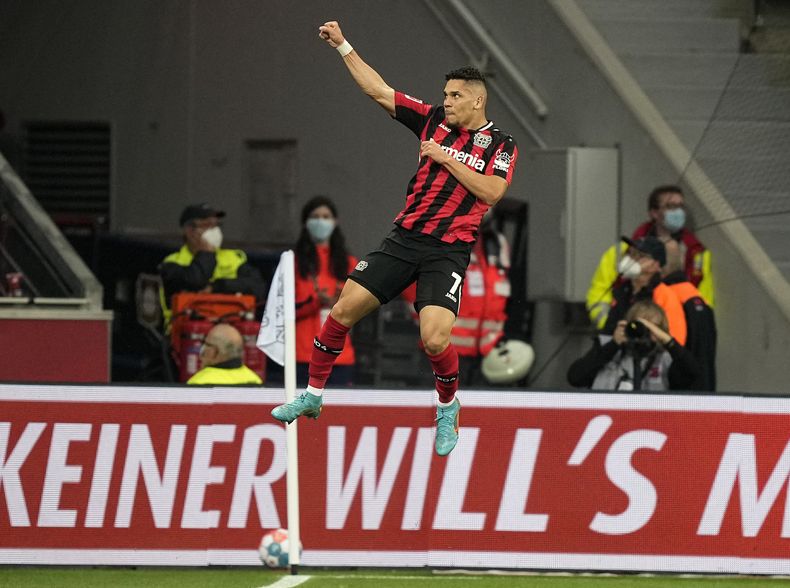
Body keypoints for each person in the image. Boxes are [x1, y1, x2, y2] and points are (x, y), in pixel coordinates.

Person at [271, 20, 519, 457]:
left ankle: (447, 407)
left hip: (447, 252)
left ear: (478, 99)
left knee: (435, 339)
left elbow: (492, 192)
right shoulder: (432, 121)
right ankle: (312, 394)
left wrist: (444, 159)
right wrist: (344, 45)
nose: (447, 102)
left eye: (455, 96)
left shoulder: (501, 145)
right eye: (445, 96)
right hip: (403, 239)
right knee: (343, 309)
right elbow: (379, 91)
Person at [586, 185, 714, 329]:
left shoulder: (695, 253)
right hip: (625, 329)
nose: (677, 212)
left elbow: (703, 298)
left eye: (680, 206)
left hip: (675, 333)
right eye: (670, 206)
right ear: (654, 212)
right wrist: (610, 325)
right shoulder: (622, 251)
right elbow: (599, 293)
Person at [159, 203, 267, 326]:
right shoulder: (172, 263)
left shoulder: (233, 258)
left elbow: (258, 287)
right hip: (186, 335)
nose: (215, 231)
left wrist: (217, 287)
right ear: (189, 231)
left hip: (232, 330)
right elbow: (195, 280)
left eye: (216, 225)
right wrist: (206, 252)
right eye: (207, 226)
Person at [567, 300, 699, 391]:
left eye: (652, 327)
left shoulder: (665, 360)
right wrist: (613, 344)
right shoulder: (607, 351)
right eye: (640, 326)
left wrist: (668, 341)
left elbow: (693, 373)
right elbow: (575, 378)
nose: (645, 333)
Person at [294, 196, 357, 386]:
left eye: (326, 216)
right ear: (305, 222)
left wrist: (342, 304)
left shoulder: (350, 263)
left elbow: (361, 311)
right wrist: (316, 302)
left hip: (341, 356)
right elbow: (284, 311)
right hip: (302, 355)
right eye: (315, 216)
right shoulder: (293, 262)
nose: (321, 221)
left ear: (335, 222)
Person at [603, 236, 687, 346]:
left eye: (640, 256)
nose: (632, 259)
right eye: (631, 253)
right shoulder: (622, 291)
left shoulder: (665, 296)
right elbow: (608, 331)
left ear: (656, 265)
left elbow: (675, 341)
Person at [187, 323, 263, 385]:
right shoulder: (255, 381)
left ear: (214, 351)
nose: (203, 348)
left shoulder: (198, 382)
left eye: (206, 344)